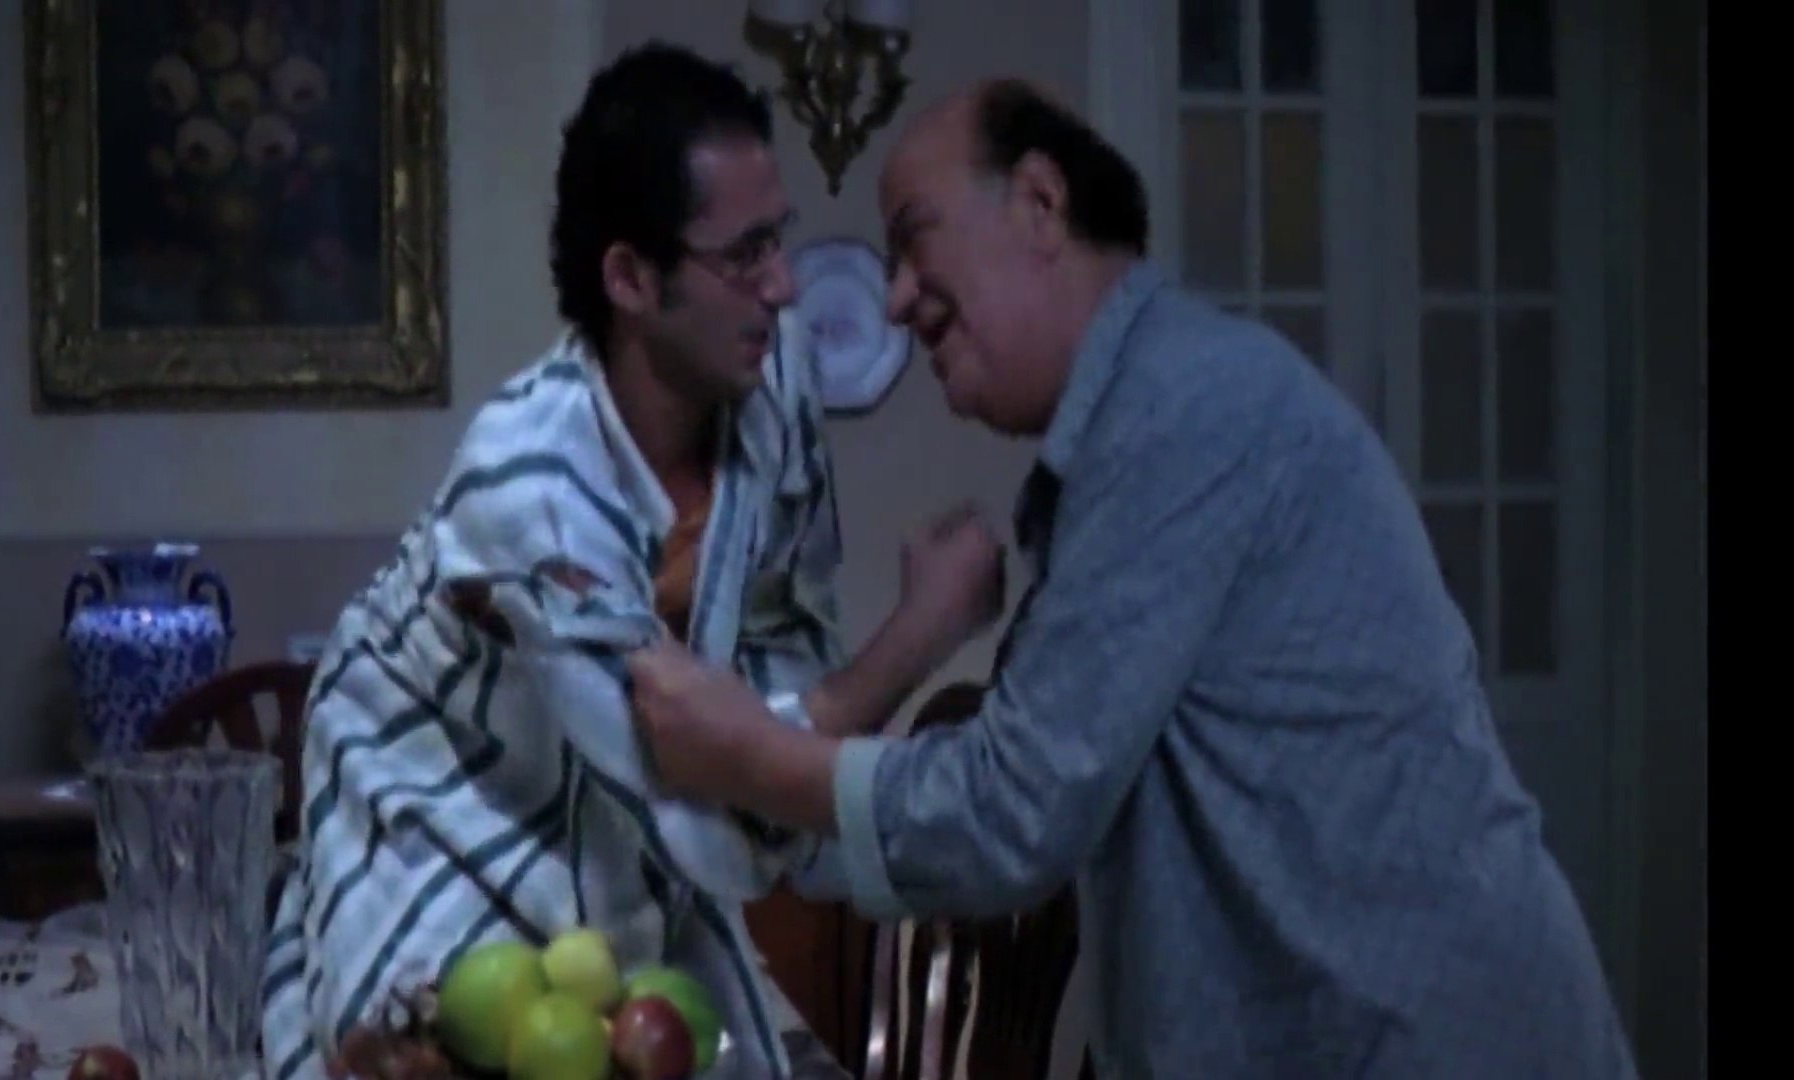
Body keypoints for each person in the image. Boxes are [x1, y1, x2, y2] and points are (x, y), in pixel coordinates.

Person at [625, 78, 1640, 1078]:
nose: (892, 300)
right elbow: (1011, 797)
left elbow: (1009, 815)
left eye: (913, 238)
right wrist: (839, 704)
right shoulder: (1130, 434)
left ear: (1041, 202)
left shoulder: (1185, 405)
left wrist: (748, 754)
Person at [259, 43, 981, 1080]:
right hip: (437, 793)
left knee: (667, 1041)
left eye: (778, 239)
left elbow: (788, 633)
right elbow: (710, 823)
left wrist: (762, 737)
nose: (784, 287)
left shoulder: (772, 383)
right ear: (631, 277)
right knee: (432, 1055)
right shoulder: (528, 485)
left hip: (620, 832)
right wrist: (919, 633)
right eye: (745, 255)